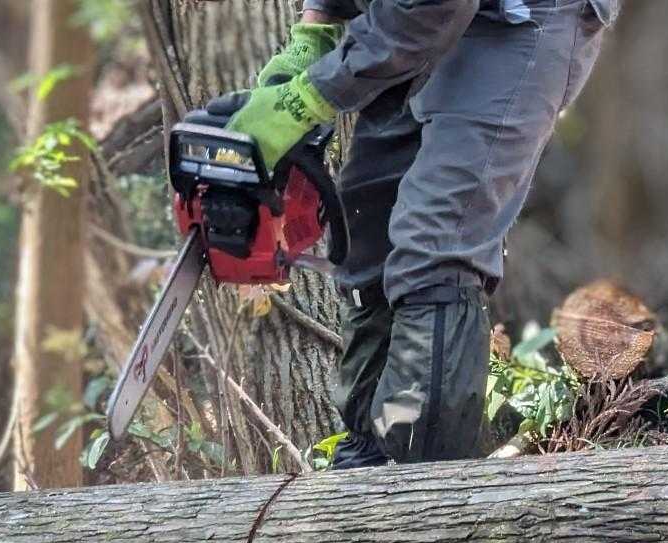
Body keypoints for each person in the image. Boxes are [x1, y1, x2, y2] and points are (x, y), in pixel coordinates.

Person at [219, 0, 616, 467]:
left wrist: (306, 98)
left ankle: (423, 476)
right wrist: (313, 33)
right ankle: (367, 454)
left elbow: (434, 8)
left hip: (519, 17)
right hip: (417, 16)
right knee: (370, 226)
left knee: (435, 241)